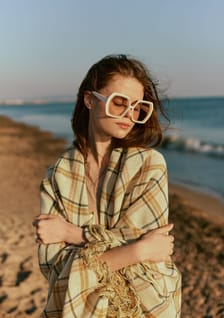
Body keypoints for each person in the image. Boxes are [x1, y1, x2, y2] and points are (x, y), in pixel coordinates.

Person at [33, 54, 181, 318]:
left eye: (138, 107)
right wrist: (136, 249)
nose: (129, 114)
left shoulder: (149, 165)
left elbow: (149, 268)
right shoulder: (58, 175)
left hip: (144, 308)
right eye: (119, 102)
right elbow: (54, 268)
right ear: (89, 100)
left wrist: (73, 234)